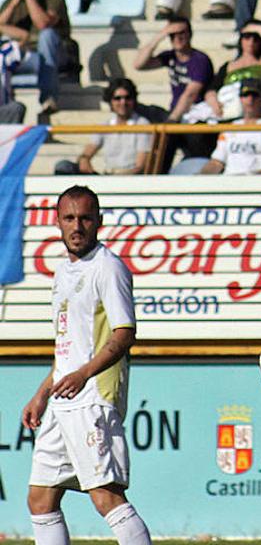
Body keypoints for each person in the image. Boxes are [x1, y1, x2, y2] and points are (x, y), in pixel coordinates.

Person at [23, 186, 152, 545]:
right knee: (41, 498)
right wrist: (42, 393)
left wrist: (83, 375)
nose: (77, 226)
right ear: (57, 222)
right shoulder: (64, 272)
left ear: (99, 221)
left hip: (94, 396)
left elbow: (125, 333)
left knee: (105, 497)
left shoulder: (108, 268)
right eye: (69, 218)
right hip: (63, 399)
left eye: (85, 218)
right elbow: (68, 348)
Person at [0, 0, 70, 119]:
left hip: (53, 54)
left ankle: (48, 99)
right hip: (23, 55)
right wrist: (15, 3)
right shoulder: (11, 2)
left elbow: (43, 23)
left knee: (47, 36)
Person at [54, 79, 151, 175]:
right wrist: (84, 160)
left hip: (130, 178)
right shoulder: (106, 125)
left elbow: (140, 166)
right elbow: (88, 152)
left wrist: (119, 178)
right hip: (107, 177)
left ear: (134, 100)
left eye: (127, 98)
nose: (123, 102)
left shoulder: (143, 125)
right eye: (117, 98)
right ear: (110, 101)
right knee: (63, 166)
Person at [132, 16, 213, 125]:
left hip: (194, 115)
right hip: (174, 112)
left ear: (190, 34)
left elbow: (190, 94)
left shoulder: (200, 60)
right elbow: (138, 64)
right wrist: (160, 35)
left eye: (181, 33)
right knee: (134, 107)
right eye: (172, 34)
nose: (177, 38)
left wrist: (172, 120)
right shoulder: (170, 56)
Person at [200, 77, 261, 174]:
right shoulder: (232, 126)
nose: (250, 100)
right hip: (229, 182)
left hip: (259, 183)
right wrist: (196, 179)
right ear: (240, 98)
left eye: (255, 95)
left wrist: (253, 179)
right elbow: (217, 162)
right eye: (245, 95)